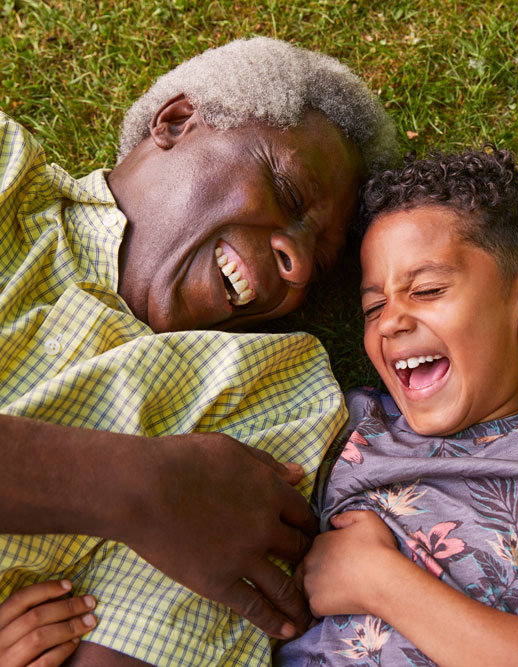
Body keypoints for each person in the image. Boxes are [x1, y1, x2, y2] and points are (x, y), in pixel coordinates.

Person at [0, 37, 397, 665]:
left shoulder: (270, 398)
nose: (295, 265)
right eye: (287, 192)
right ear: (177, 122)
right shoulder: (5, 170)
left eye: (316, 263)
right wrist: (138, 486)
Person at [275, 148, 518, 666]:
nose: (391, 321)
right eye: (373, 307)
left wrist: (379, 581)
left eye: (428, 289)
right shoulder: (344, 424)